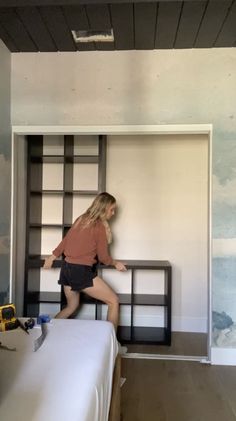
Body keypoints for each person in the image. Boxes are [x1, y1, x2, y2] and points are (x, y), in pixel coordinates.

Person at [43, 192, 127, 332]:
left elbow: (65, 241)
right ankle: (112, 345)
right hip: (80, 272)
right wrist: (115, 263)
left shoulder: (81, 218)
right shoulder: (99, 226)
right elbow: (103, 258)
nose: (113, 213)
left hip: (66, 270)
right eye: (112, 209)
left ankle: (47, 334)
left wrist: (51, 258)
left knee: (71, 307)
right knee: (113, 301)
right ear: (104, 208)